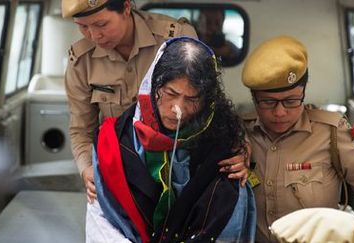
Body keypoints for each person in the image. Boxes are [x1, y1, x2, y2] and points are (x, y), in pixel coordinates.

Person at [61, 0, 248, 203]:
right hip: (118, 171)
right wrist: (87, 168)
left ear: (126, 8)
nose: (94, 35)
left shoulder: (176, 38)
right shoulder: (81, 61)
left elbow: (208, 105)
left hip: (178, 169)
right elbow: (81, 129)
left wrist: (239, 146)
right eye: (83, 27)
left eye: (102, 24)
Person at [88, 37, 256, 242]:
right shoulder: (115, 140)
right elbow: (101, 219)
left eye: (192, 99)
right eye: (171, 93)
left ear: (207, 101)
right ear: (154, 84)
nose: (178, 108)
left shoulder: (224, 148)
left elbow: (227, 226)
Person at [241, 36, 354, 242]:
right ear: (254, 99)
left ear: (303, 94)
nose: (280, 112)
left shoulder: (332, 132)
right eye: (268, 102)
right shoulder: (238, 132)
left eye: (291, 101)